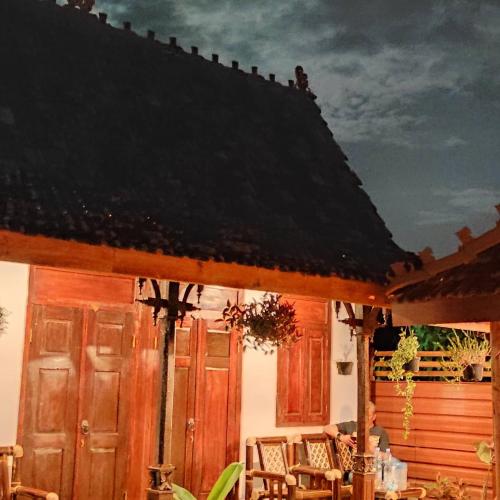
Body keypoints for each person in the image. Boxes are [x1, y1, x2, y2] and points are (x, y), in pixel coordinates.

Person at [324, 401, 390, 454]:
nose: (364, 418)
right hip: (352, 467)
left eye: (368, 415)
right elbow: (327, 428)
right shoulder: (351, 426)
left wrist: (371, 449)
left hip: (372, 467)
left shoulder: (380, 432)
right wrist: (341, 437)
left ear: (374, 417)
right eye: (362, 414)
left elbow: (387, 457)